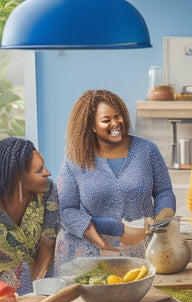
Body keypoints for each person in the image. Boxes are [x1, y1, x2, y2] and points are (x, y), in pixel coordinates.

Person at [54, 89, 176, 271]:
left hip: (140, 252)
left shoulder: (147, 150)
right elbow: (66, 208)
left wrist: (160, 219)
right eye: (106, 120)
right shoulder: (75, 158)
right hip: (88, 256)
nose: (115, 123)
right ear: (92, 126)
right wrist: (102, 239)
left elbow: (164, 191)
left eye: (117, 116)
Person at [0, 137, 59, 295]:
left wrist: (35, 289)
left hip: (40, 284)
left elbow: (48, 241)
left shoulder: (48, 191)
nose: (47, 173)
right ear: (18, 177)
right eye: (39, 171)